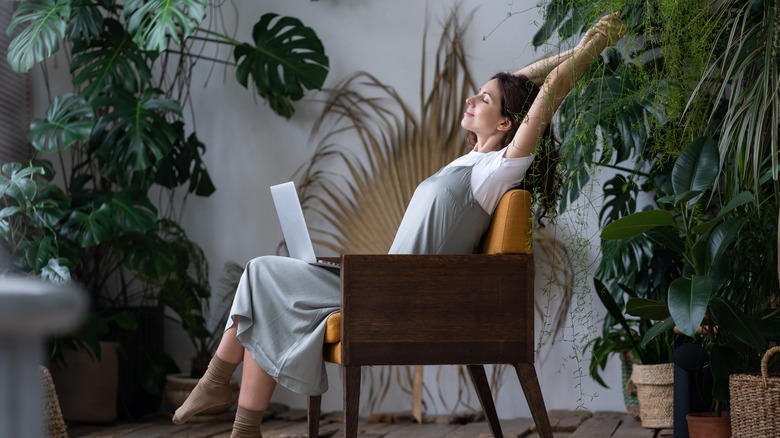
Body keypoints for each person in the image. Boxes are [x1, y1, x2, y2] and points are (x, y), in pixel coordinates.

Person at [172, 12, 626, 437]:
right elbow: (524, 79)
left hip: (400, 295)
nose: (471, 99)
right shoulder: (471, 160)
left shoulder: (498, 171)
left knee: (263, 274)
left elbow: (547, 94)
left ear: (508, 122)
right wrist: (572, 46)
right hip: (383, 282)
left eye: (484, 99)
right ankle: (236, 418)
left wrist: (595, 45)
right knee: (263, 276)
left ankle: (219, 388)